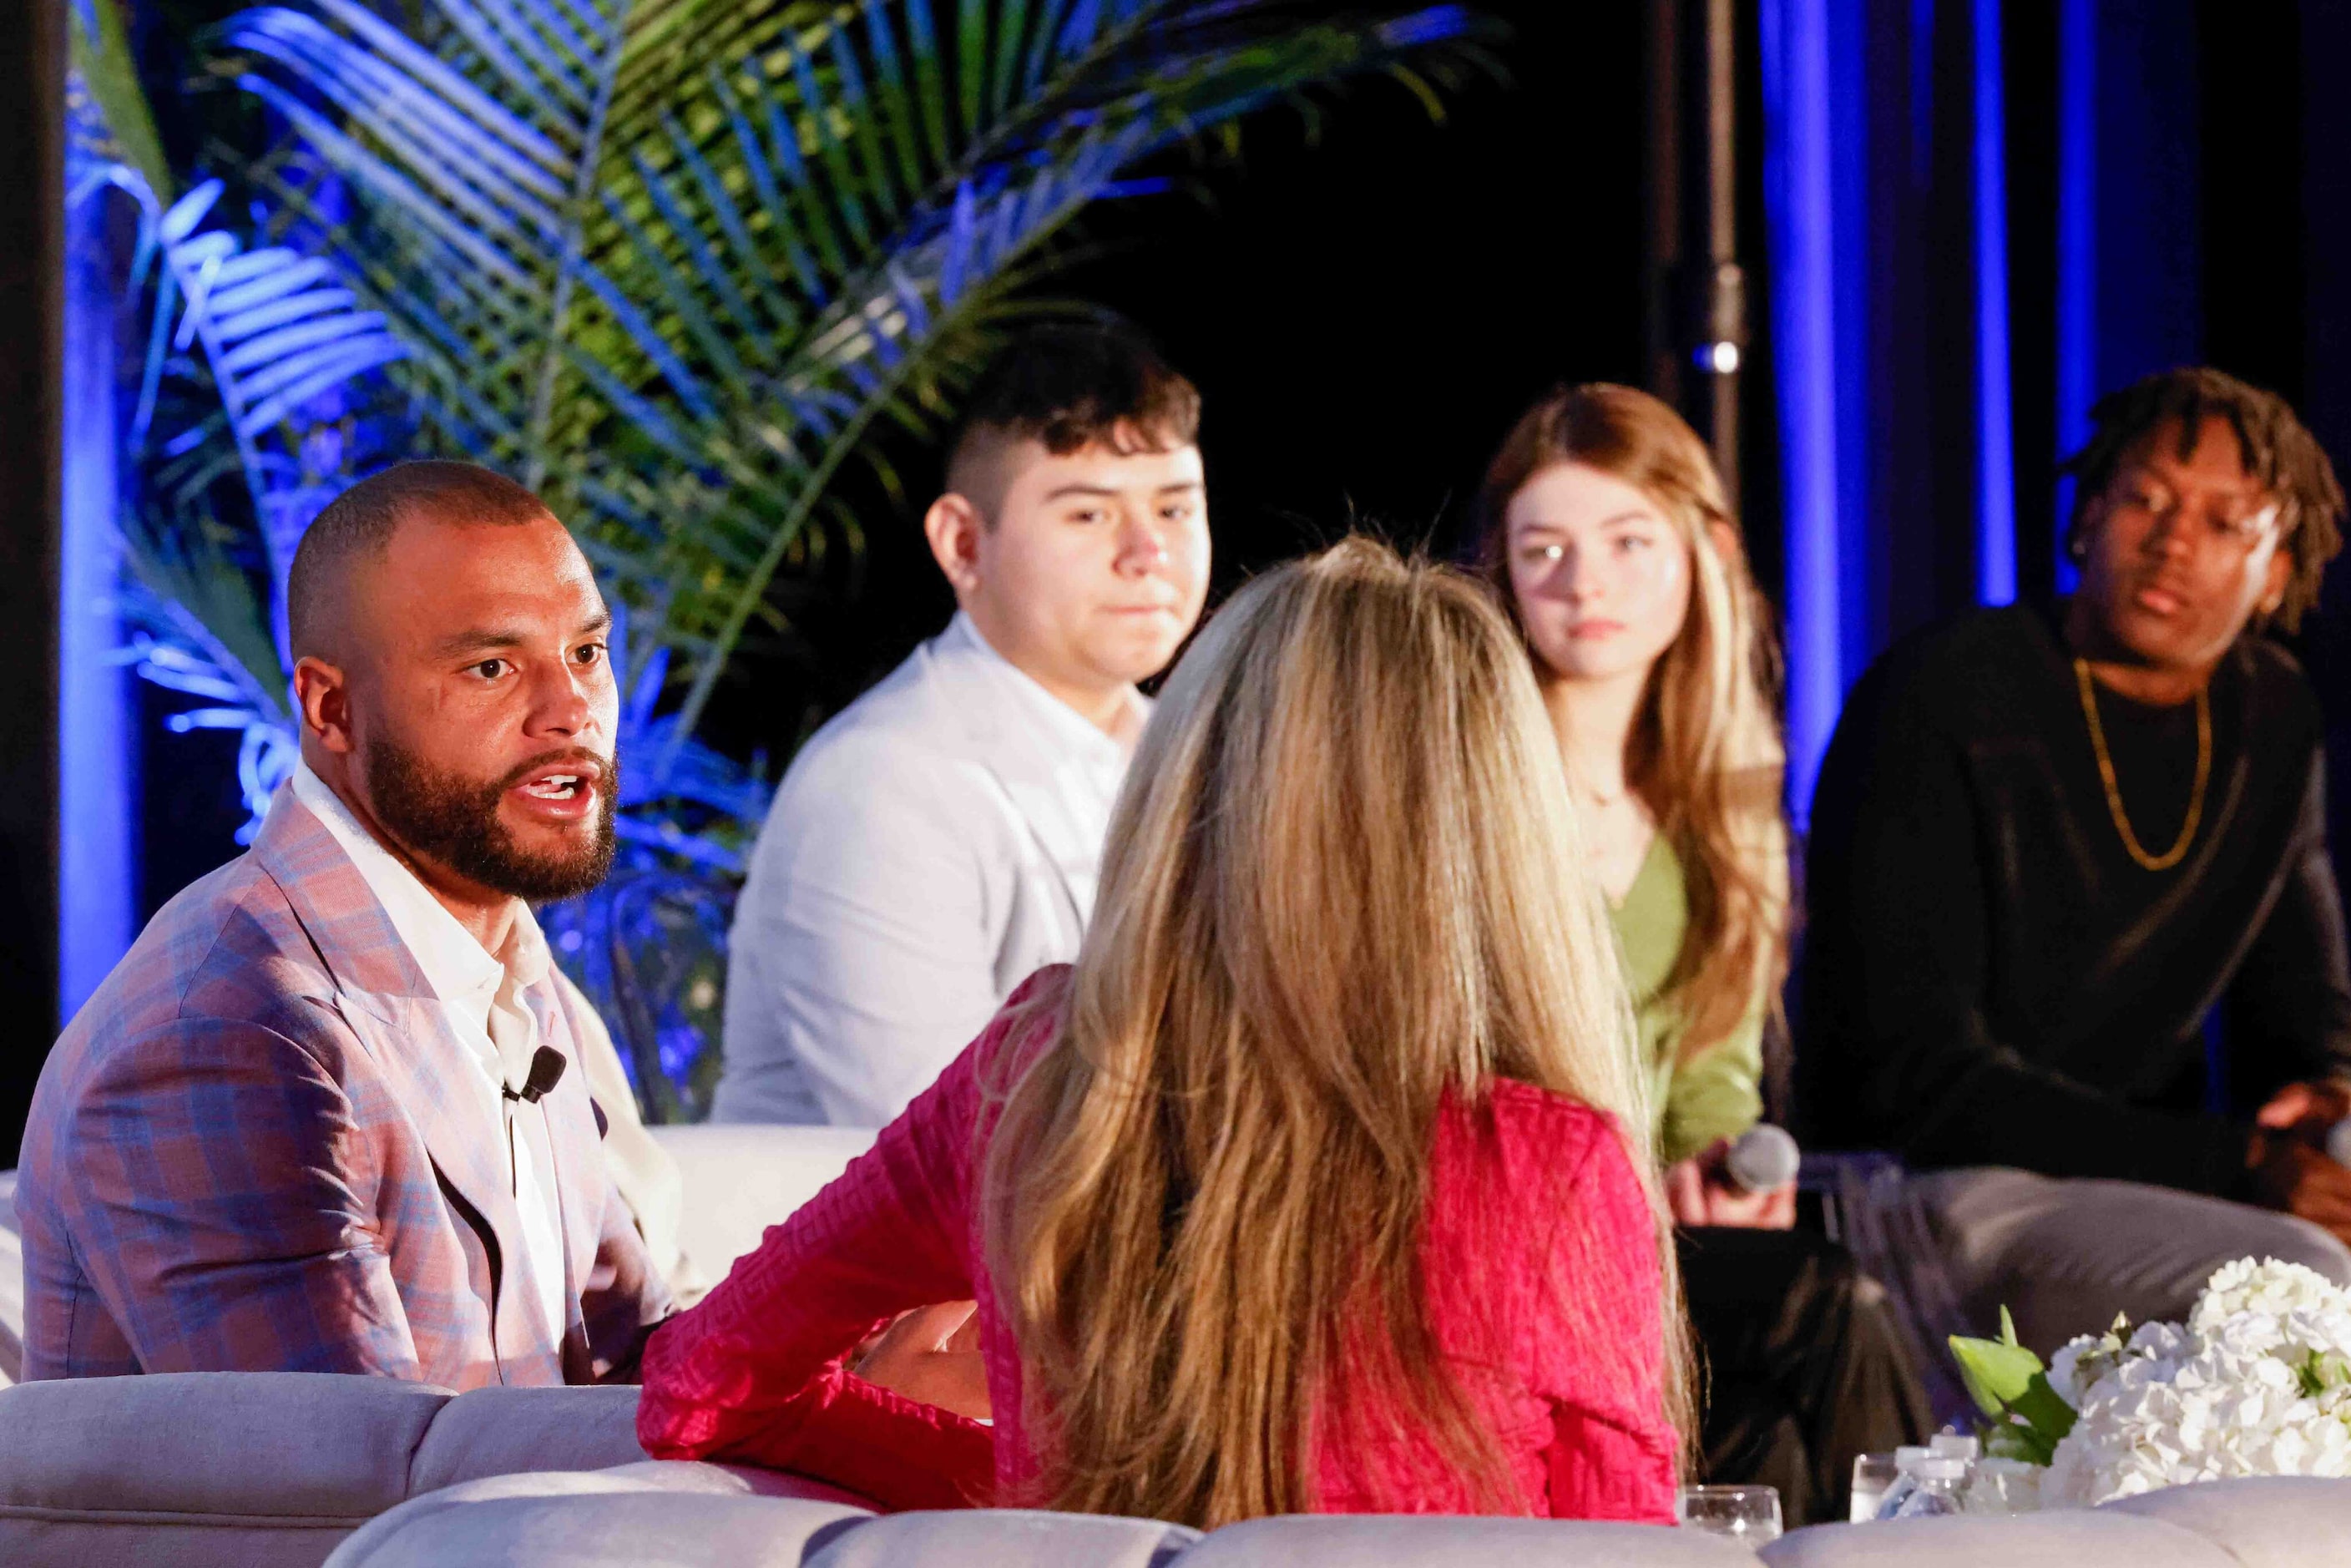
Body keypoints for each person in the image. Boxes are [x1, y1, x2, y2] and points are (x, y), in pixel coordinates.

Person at [639, 539, 1687, 1525]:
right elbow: (1620, 1547)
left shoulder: (1034, 1076)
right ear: (1503, 831)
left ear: (1187, 781)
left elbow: (701, 1388)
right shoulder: (1545, 1161)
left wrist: (1037, 1507)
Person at [15, 461, 673, 1386]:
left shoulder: (505, 963)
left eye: (586, 653)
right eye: (492, 666)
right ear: (331, 709)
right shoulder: (224, 1031)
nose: (570, 714)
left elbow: (623, 1362)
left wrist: (849, 1369)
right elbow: (351, 1488)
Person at [1802, 366, 2351, 1353]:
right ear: (2086, 514)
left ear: (2274, 571)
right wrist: (2239, 1162)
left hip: (2154, 1181)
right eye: (2142, 498)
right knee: (2307, 1288)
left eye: (2224, 522)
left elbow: (2301, 1010)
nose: (2171, 539)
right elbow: (1915, 1078)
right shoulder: (1943, 694)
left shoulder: (2273, 715)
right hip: (1932, 1186)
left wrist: (2324, 1099)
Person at [1478, 382, 1930, 1525]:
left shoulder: (1720, 803)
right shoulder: (1471, 787)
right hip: (1507, 1240)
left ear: (1703, 550)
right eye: (1546, 550)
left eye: (1629, 542)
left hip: (1648, 1247)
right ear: (1503, 572)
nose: (1588, 583)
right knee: (1832, 1300)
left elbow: (1710, 1079)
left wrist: (1725, 1163)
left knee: (1767, 1438)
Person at [715, 323, 1211, 1126]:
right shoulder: (882, 785)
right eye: (1089, 515)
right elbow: (949, 1145)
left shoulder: (1196, 757)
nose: (1148, 551)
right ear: (963, 543)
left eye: (1175, 508)